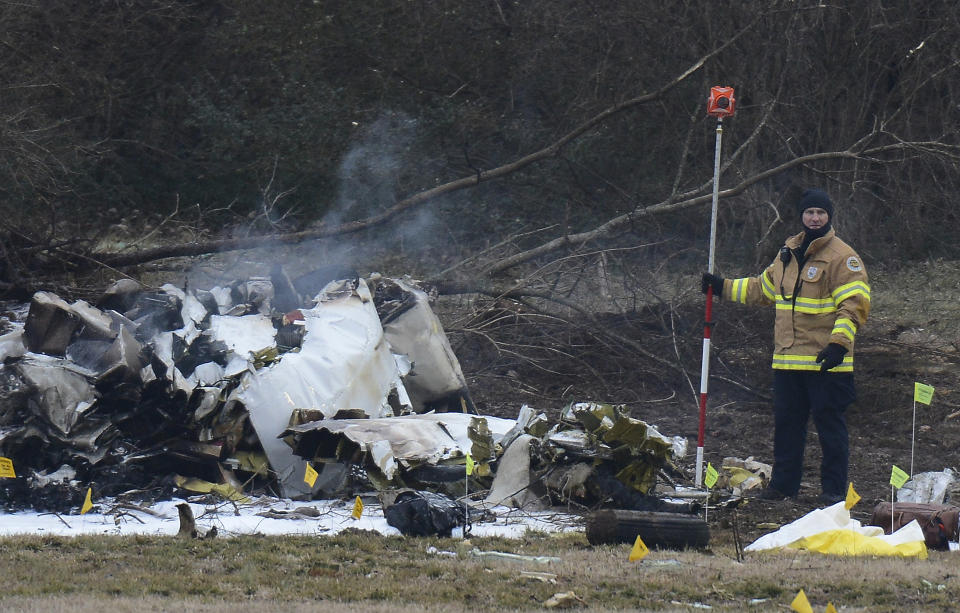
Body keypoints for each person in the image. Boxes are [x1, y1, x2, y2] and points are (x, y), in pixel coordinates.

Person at [701, 188, 871, 504]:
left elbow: (855, 304)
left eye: (821, 212)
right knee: (787, 430)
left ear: (829, 216)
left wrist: (838, 344)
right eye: (810, 212)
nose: (815, 217)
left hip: (827, 363)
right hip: (787, 363)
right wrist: (722, 287)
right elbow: (761, 289)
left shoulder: (843, 258)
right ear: (802, 216)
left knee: (831, 432)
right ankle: (782, 488)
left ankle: (833, 492)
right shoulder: (787, 254)